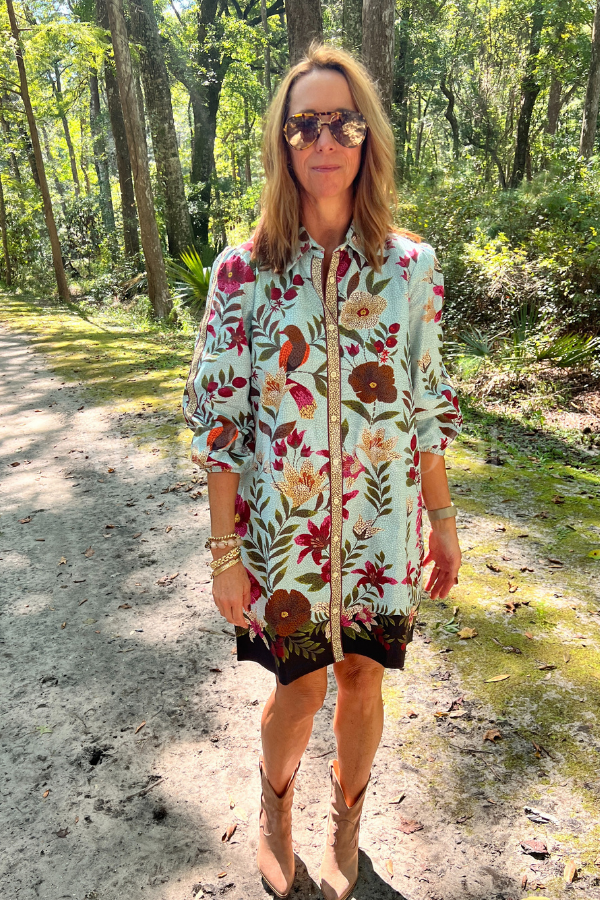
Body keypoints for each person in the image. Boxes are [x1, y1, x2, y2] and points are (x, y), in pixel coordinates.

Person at [183, 40, 463, 900]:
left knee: (363, 678)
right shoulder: (243, 271)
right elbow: (222, 424)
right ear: (284, 142)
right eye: (304, 125)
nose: (324, 140)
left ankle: (348, 820)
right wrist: (225, 554)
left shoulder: (412, 268)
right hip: (286, 538)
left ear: (367, 134)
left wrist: (443, 521)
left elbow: (425, 403)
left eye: (342, 122)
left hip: (381, 530)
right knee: (299, 686)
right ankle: (276, 809)